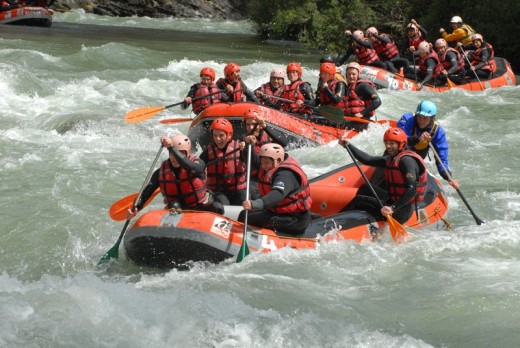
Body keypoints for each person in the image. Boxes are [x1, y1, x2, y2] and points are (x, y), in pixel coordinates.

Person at [338, 127, 428, 224]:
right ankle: (358, 219)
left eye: (392, 143)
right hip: (391, 201)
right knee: (365, 188)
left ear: (401, 144)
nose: (388, 146)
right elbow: (367, 159)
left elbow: (412, 190)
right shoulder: (391, 159)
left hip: (401, 209)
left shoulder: (406, 161)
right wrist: (348, 145)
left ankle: (339, 223)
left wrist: (392, 208)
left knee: (358, 200)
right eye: (386, 143)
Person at [126, 134, 223, 219]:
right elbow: (146, 193)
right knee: (174, 205)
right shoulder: (162, 172)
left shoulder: (198, 164)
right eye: (172, 153)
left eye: (180, 153)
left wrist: (171, 147)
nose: (174, 157)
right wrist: (136, 208)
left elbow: (195, 169)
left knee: (217, 206)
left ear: (187, 153)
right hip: (176, 210)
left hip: (199, 207)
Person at [238, 143, 312, 235]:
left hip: (294, 219)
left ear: (278, 160)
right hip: (280, 213)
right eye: (262, 162)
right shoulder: (270, 165)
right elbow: (255, 162)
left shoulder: (285, 174)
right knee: (245, 214)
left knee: (244, 217)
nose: (263, 166)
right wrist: (246, 149)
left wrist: (256, 204)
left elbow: (278, 193)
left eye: (266, 163)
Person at [397, 100, 459, 189]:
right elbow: (399, 140)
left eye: (425, 118)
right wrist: (417, 139)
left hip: (417, 157)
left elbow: (441, 158)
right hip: (400, 153)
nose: (421, 121)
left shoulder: (437, 132)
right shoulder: (407, 119)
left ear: (432, 118)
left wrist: (448, 176)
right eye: (419, 116)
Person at [242, 108, 288, 200]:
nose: (251, 128)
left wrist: (265, 126)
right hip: (255, 178)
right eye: (248, 125)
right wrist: (248, 147)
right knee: (249, 190)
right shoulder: (244, 140)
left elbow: (284, 142)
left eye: (254, 124)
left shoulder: (269, 135)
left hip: (272, 175)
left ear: (259, 124)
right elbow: (254, 164)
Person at [199, 118, 247, 206]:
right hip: (218, 192)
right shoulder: (207, 153)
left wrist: (246, 149)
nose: (217, 139)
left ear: (229, 135)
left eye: (221, 135)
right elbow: (197, 168)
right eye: (215, 135)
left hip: (238, 190)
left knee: (244, 198)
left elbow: (255, 163)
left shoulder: (240, 148)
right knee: (223, 203)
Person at [342, 62, 381, 127]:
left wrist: (361, 113)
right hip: (350, 119)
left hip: (361, 121)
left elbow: (377, 101)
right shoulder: (348, 87)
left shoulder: (363, 86)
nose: (351, 76)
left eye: (353, 74)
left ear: (358, 75)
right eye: (349, 74)